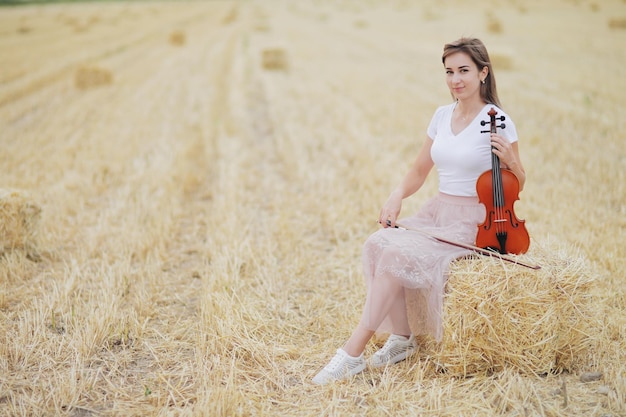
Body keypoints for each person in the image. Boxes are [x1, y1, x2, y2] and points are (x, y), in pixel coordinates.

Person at [312, 37, 526, 385]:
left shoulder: (498, 120)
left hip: (473, 220)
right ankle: (401, 339)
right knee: (379, 243)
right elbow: (418, 171)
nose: (455, 79)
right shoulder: (441, 116)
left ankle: (351, 353)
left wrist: (512, 160)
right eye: (449, 72)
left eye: (464, 71)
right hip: (437, 210)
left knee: (397, 251)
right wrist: (396, 196)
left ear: (483, 73)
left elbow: (518, 182)